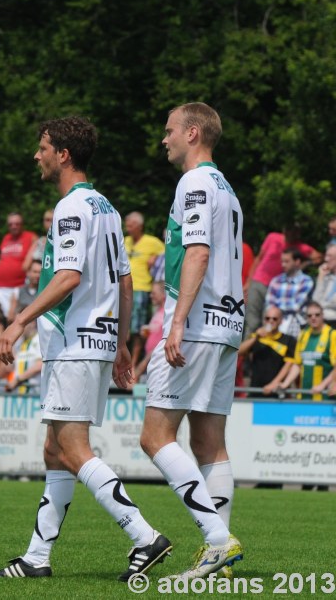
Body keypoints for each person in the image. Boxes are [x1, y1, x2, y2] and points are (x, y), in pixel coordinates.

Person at [0, 116, 170, 581]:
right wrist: (124, 344)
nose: (38, 154)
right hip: (96, 339)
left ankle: (144, 535)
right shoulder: (107, 209)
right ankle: (36, 557)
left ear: (63, 154)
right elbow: (125, 281)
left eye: (43, 147)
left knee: (72, 447)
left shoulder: (72, 208)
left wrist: (17, 322)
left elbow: (68, 277)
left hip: (75, 341)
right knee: (54, 448)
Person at [139, 102, 244, 580]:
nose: (165, 139)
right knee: (209, 444)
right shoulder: (226, 188)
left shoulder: (195, 182)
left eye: (169, 131)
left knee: (154, 436)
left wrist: (176, 322)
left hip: (198, 324)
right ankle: (217, 558)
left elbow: (197, 251)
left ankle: (217, 541)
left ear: (193, 133)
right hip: (226, 324)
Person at [243, 224, 319, 336]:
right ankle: (247, 351)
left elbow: (319, 257)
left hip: (280, 287)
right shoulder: (273, 237)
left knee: (270, 322)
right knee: (252, 322)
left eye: (294, 231)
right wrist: (248, 283)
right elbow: (259, 257)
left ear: (298, 233)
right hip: (259, 281)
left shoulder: (300, 247)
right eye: (289, 230)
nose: (291, 233)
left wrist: (304, 265)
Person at [124, 212, 165, 367]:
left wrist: (156, 259)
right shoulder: (125, 241)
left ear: (140, 226)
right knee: (122, 328)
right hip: (123, 290)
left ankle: (133, 364)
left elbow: (167, 252)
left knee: (137, 328)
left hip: (141, 288)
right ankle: (121, 361)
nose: (128, 227)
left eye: (131, 224)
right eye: (127, 224)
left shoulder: (152, 242)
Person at [273, 301, 336, 399]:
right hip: (304, 395)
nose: (313, 317)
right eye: (309, 315)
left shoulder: (332, 335)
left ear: (323, 316)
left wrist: (322, 385)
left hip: (324, 396)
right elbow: (298, 364)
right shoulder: (303, 335)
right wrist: (285, 383)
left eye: (317, 315)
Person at [0, 212, 37, 317]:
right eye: (11, 224)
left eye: (17, 223)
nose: (14, 226)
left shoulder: (31, 237)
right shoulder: (6, 238)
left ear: (22, 224)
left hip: (18, 287)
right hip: (0, 287)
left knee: (12, 318)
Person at [239, 305, 296, 395]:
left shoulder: (288, 340)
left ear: (281, 321)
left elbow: (288, 366)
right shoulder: (256, 337)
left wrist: (273, 384)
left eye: (274, 319)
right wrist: (255, 338)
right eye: (267, 318)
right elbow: (239, 352)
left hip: (277, 391)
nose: (271, 321)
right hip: (256, 390)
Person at [264, 248, 314, 337]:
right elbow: (269, 305)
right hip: (275, 320)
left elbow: (296, 306)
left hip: (296, 323)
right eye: (282, 261)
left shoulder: (306, 281)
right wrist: (276, 312)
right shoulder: (276, 281)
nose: (283, 265)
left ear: (297, 262)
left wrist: (277, 309)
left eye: (287, 261)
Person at [132, 281, 166, 384]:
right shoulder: (158, 311)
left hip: (159, 364)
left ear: (163, 294)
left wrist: (138, 370)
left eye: (154, 293)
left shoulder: (167, 314)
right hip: (152, 364)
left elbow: (160, 344)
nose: (151, 296)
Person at [4, 320, 41, 394]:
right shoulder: (19, 342)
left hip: (35, 394)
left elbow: (40, 365)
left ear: (32, 323)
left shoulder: (39, 339)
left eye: (21, 323)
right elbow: (9, 368)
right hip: (19, 394)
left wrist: (17, 380)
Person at [313, 244, 336, 324]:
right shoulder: (326, 278)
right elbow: (316, 302)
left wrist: (323, 306)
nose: (326, 259)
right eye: (326, 255)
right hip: (322, 322)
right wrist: (321, 277)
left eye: (330, 256)